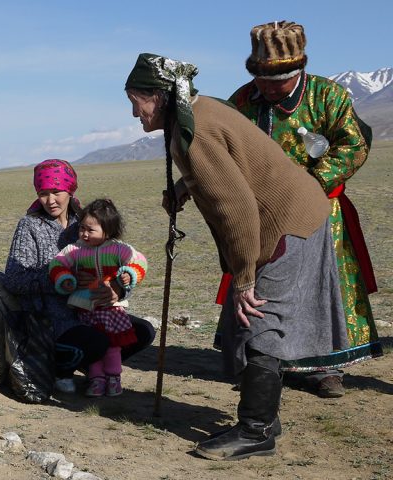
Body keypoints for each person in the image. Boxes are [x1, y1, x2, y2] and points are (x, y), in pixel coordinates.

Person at [125, 53, 346, 460]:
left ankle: (256, 430)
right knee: (249, 316)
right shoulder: (198, 111)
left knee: (258, 315)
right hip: (293, 212)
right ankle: (263, 416)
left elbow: (237, 208)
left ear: (158, 96)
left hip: (285, 223)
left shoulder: (196, 132)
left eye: (136, 101)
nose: (134, 113)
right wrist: (186, 187)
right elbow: (233, 165)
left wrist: (243, 277)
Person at [228, 21, 379, 398]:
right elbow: (222, 146)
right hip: (263, 214)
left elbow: (354, 144)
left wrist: (311, 182)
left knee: (317, 288)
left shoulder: (328, 96)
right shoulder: (244, 101)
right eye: (261, 78)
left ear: (298, 72)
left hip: (317, 209)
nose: (267, 87)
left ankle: (325, 366)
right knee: (263, 286)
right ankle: (264, 361)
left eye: (276, 80)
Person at [2, 159, 156, 402]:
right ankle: (61, 367)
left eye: (56, 191)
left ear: (70, 190)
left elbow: (116, 259)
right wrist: (63, 280)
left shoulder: (83, 222)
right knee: (98, 340)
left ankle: (91, 364)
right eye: (43, 193)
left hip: (94, 310)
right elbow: (14, 279)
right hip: (51, 318)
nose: (50, 200)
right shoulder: (29, 226)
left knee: (143, 332)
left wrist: (117, 289)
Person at [48, 199, 148, 397]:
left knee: (112, 346)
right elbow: (57, 264)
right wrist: (65, 278)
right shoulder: (75, 250)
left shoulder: (119, 249)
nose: (84, 234)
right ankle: (96, 380)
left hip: (111, 310)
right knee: (95, 346)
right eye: (82, 228)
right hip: (86, 309)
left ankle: (113, 379)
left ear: (108, 231)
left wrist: (130, 274)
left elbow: (140, 260)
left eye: (90, 230)